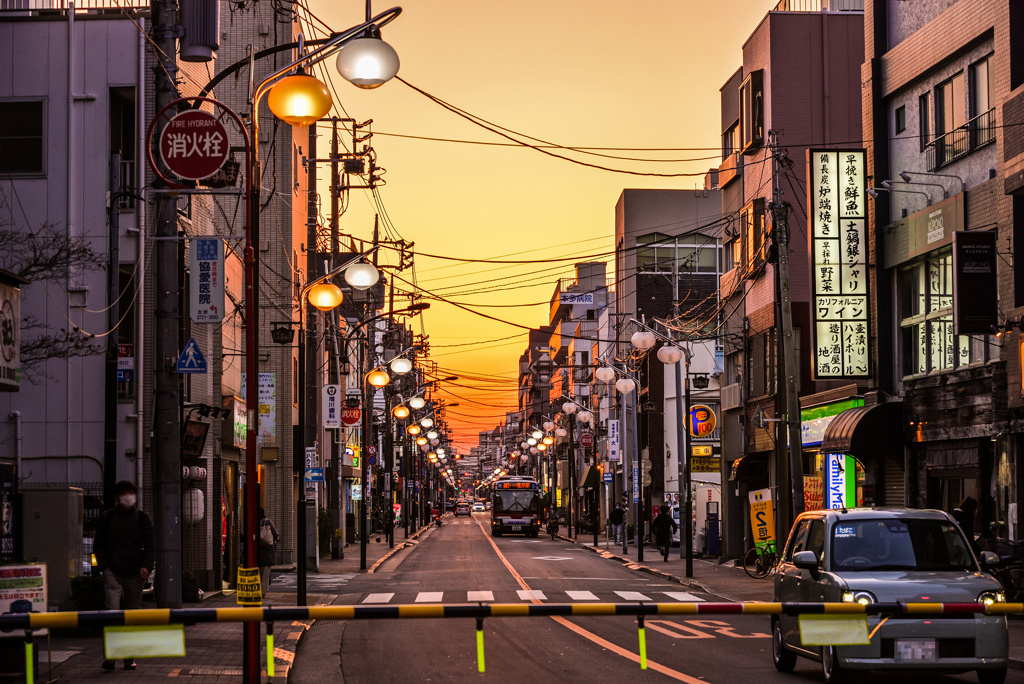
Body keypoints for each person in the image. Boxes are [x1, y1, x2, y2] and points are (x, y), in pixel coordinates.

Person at [94, 480, 155, 671]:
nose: (127, 497)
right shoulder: (107, 518)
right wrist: (105, 567)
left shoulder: (143, 518)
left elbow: (151, 546)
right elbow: (99, 545)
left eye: (130, 493)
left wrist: (146, 566)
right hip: (113, 571)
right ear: (116, 497)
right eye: (123, 493)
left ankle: (128, 657)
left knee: (131, 616)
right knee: (112, 613)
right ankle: (111, 656)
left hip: (135, 574)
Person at [258, 507, 279, 598]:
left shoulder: (252, 522)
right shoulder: (268, 522)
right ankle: (263, 592)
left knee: (258, 572)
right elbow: (276, 535)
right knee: (266, 573)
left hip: (258, 551)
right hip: (268, 551)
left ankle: (257, 590)